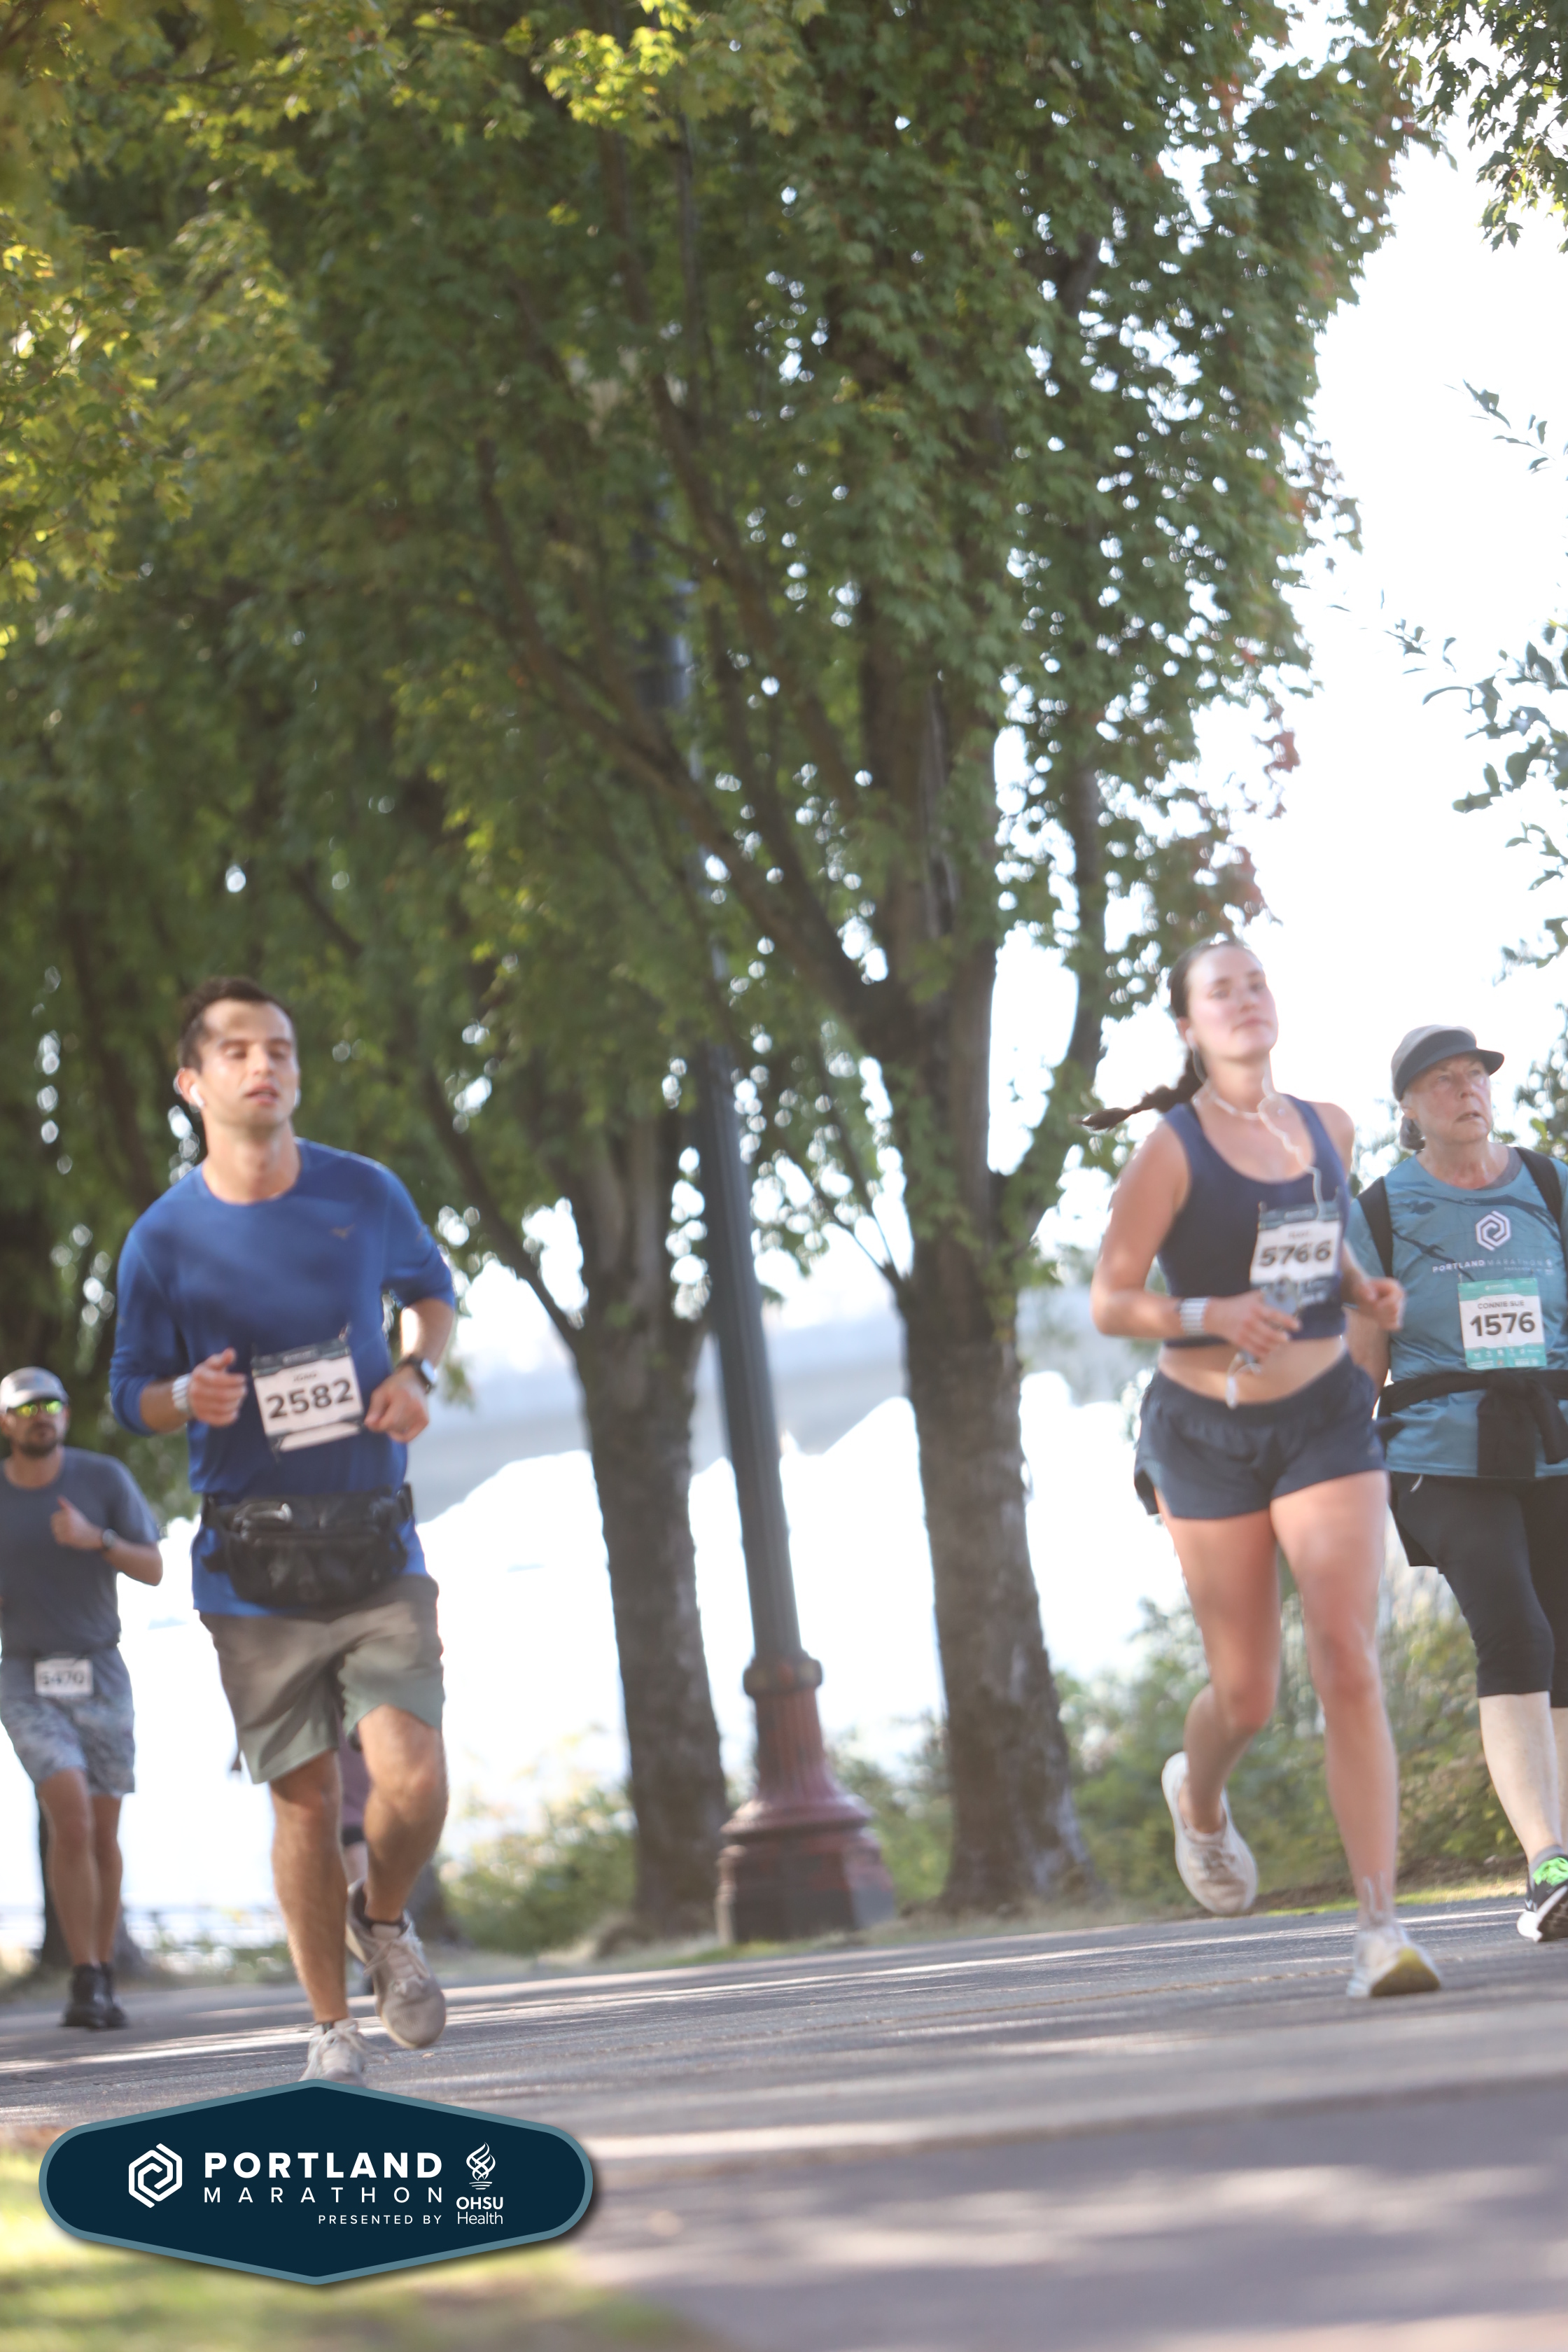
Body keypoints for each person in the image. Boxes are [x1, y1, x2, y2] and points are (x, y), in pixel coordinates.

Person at [110, 976, 457, 2083]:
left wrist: (415, 1371)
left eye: (282, 1050)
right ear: (192, 1083)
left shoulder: (363, 1192)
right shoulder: (163, 1238)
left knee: (414, 1778)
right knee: (304, 1798)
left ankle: (382, 1918)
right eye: (238, 1052)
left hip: (374, 1542)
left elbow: (432, 1295)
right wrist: (186, 1399)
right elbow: (130, 1392)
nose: (265, 1066)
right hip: (251, 1563)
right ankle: (330, 2030)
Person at [1088, 939, 1441, 1998]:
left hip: (1325, 1418)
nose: (1244, 1000)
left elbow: (1318, 1238)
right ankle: (1198, 1799)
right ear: (1188, 1027)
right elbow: (1111, 1300)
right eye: (1219, 991)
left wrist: (1367, 1290)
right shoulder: (1172, 1152)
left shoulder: (1327, 1126)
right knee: (1246, 1695)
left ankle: (1379, 1929)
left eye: (1255, 982)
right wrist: (1211, 1312)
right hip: (1205, 1433)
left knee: (1347, 1658)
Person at [1346, 1026, 1568, 1942]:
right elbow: (1362, 1365)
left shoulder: (1549, 1185)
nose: (1466, 1090)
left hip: (1552, 1442)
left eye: (1475, 1075)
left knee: (1565, 1644)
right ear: (1407, 1106)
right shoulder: (1380, 1211)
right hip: (1438, 1451)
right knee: (1514, 1628)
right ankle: (1546, 1862)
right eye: (1443, 1080)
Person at [0, 1366, 163, 2030]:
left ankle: (102, 1970)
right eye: (25, 1408)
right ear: (5, 1422)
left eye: (50, 1405)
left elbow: (154, 1568)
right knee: (69, 1815)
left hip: (100, 1668)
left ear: (65, 1414)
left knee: (102, 1830)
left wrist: (97, 1540)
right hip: (25, 1676)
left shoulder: (103, 1479)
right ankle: (84, 1973)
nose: (40, 1416)